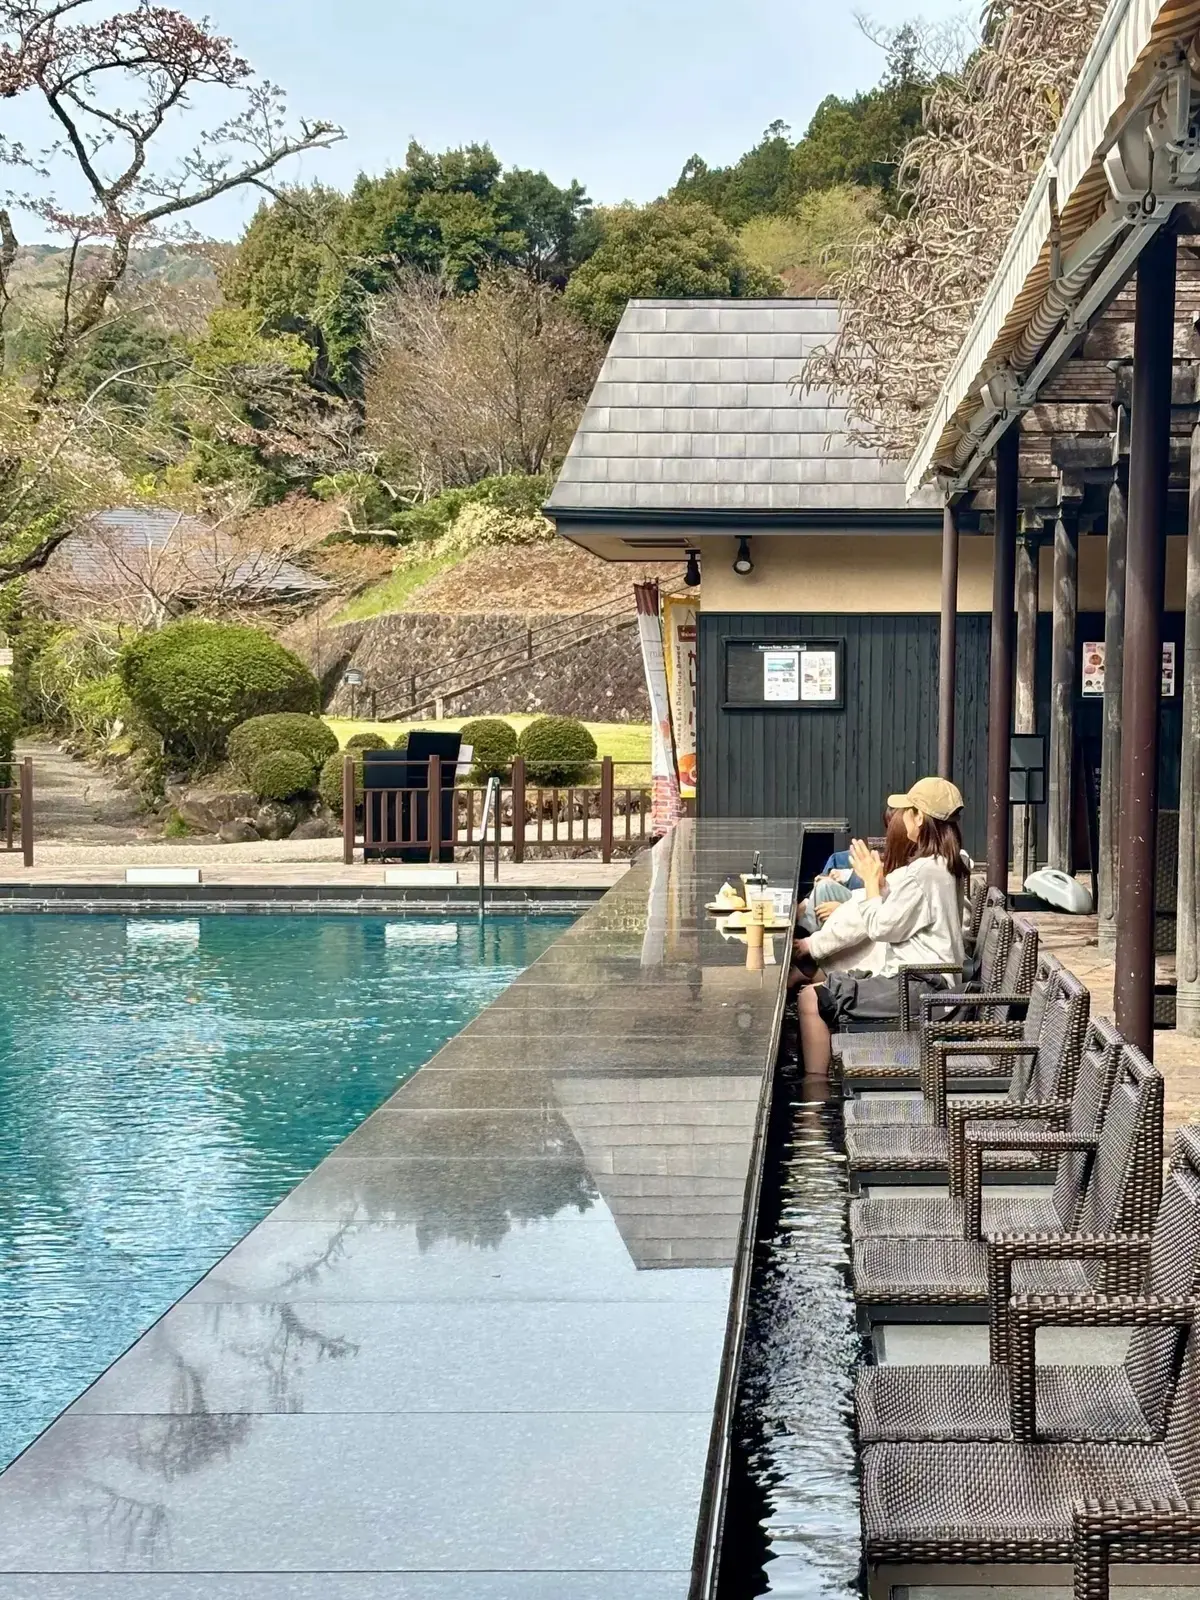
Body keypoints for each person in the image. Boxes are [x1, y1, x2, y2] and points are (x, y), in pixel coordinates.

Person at [794, 777, 969, 1076]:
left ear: (920, 818)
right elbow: (903, 917)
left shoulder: (924, 873)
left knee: (812, 999)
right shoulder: (945, 866)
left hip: (922, 988)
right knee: (820, 981)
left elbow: (881, 929)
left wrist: (872, 884)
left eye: (907, 811)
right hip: (930, 982)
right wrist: (879, 885)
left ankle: (815, 1104)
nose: (902, 819)